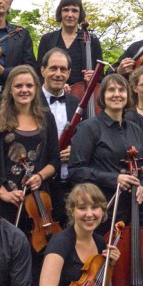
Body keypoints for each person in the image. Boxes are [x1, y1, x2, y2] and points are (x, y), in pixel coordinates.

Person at [0, 65, 60, 241]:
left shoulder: (46, 118)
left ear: (36, 88)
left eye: (29, 86)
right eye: (18, 86)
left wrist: (40, 176)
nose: (24, 90)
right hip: (6, 201)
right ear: (10, 89)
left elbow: (54, 160)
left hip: (38, 203)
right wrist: (3, 194)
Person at [68, 74, 143, 233]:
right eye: (111, 90)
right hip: (103, 211)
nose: (117, 94)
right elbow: (76, 171)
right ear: (102, 95)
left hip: (135, 211)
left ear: (127, 95)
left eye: (121, 90)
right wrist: (114, 178)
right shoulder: (89, 128)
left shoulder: (135, 129)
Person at [38, 47, 82, 226]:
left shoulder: (76, 103)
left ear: (69, 73)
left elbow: (85, 139)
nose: (58, 74)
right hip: (40, 184)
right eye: (53, 68)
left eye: (63, 69)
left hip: (68, 184)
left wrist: (75, 150)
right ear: (43, 70)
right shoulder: (30, 100)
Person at [36, 0, 103, 88]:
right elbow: (39, 73)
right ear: (60, 13)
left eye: (74, 11)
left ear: (80, 14)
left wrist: (94, 76)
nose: (70, 15)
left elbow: (101, 77)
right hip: (53, 92)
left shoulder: (92, 41)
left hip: (82, 94)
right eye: (66, 10)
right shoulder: (47, 39)